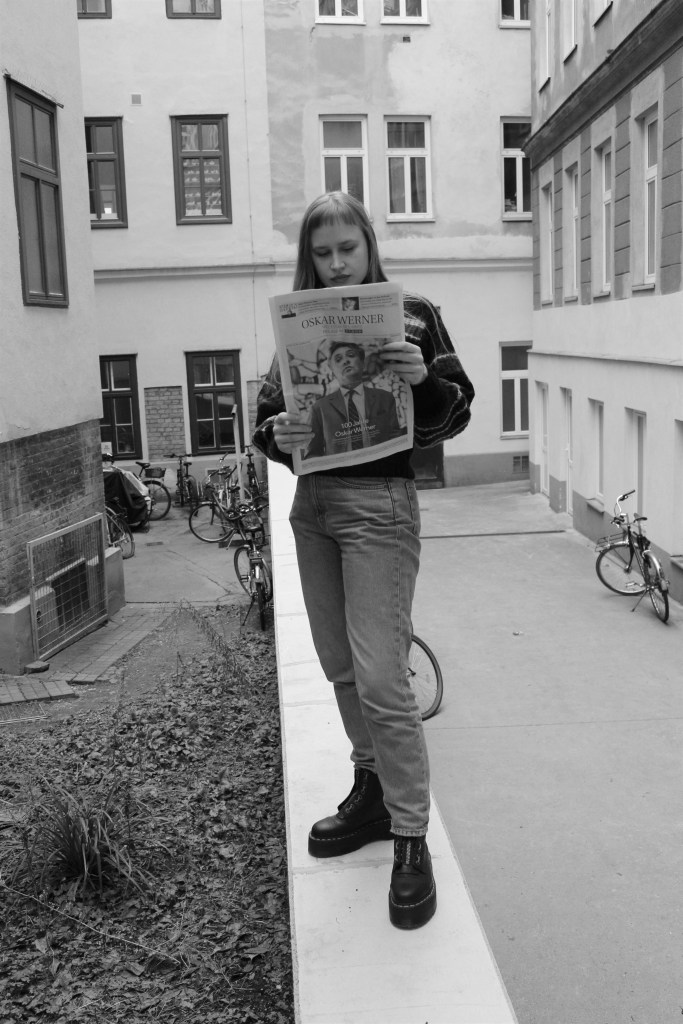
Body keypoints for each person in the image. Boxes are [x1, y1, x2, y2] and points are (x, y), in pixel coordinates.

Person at [253, 191, 474, 930]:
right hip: (313, 507)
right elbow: (264, 420)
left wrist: (421, 380)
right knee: (340, 665)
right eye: (323, 253)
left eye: (348, 248)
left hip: (381, 506)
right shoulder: (300, 321)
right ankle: (372, 790)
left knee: (382, 676)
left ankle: (411, 835)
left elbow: (456, 410)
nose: (337, 263)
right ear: (309, 259)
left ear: (369, 244)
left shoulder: (412, 314)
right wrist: (278, 434)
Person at [304, 339, 404, 458]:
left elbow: (395, 439)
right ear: (332, 371)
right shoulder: (319, 408)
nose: (345, 361)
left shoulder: (385, 398)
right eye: (338, 359)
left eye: (351, 355)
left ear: (362, 363)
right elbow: (312, 453)